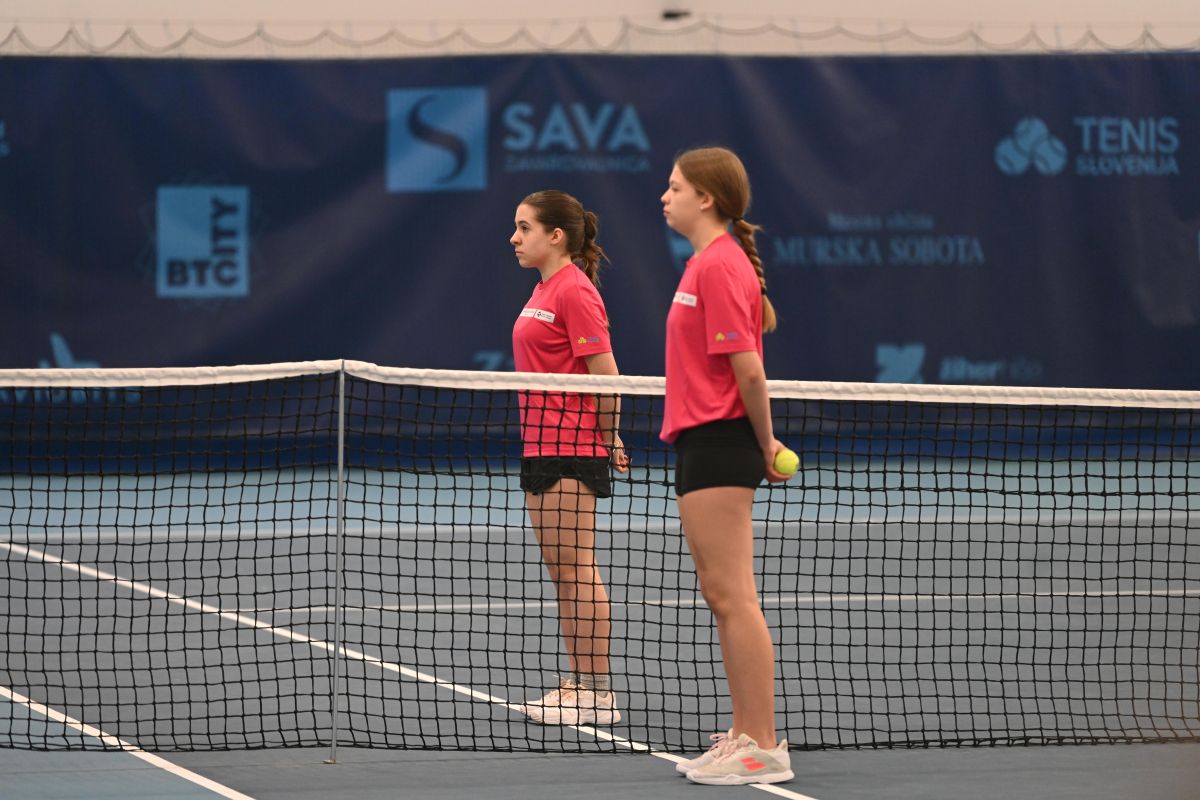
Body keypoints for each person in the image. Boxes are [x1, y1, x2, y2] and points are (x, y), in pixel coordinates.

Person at [658, 147, 794, 785]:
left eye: (675, 187)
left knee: (734, 595)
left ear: (706, 198)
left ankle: (763, 744)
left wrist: (764, 445)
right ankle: (743, 733)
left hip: (721, 439)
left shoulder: (720, 265)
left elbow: (750, 371)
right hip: (700, 439)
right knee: (721, 594)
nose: (665, 197)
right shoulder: (704, 262)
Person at [509, 190, 630, 726]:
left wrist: (611, 438)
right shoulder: (544, 288)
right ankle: (578, 682)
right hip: (540, 445)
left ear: (555, 236)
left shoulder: (576, 291)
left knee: (578, 570)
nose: (514, 238)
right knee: (563, 573)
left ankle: (597, 693)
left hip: (572, 447)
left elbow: (606, 375)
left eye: (525, 227)